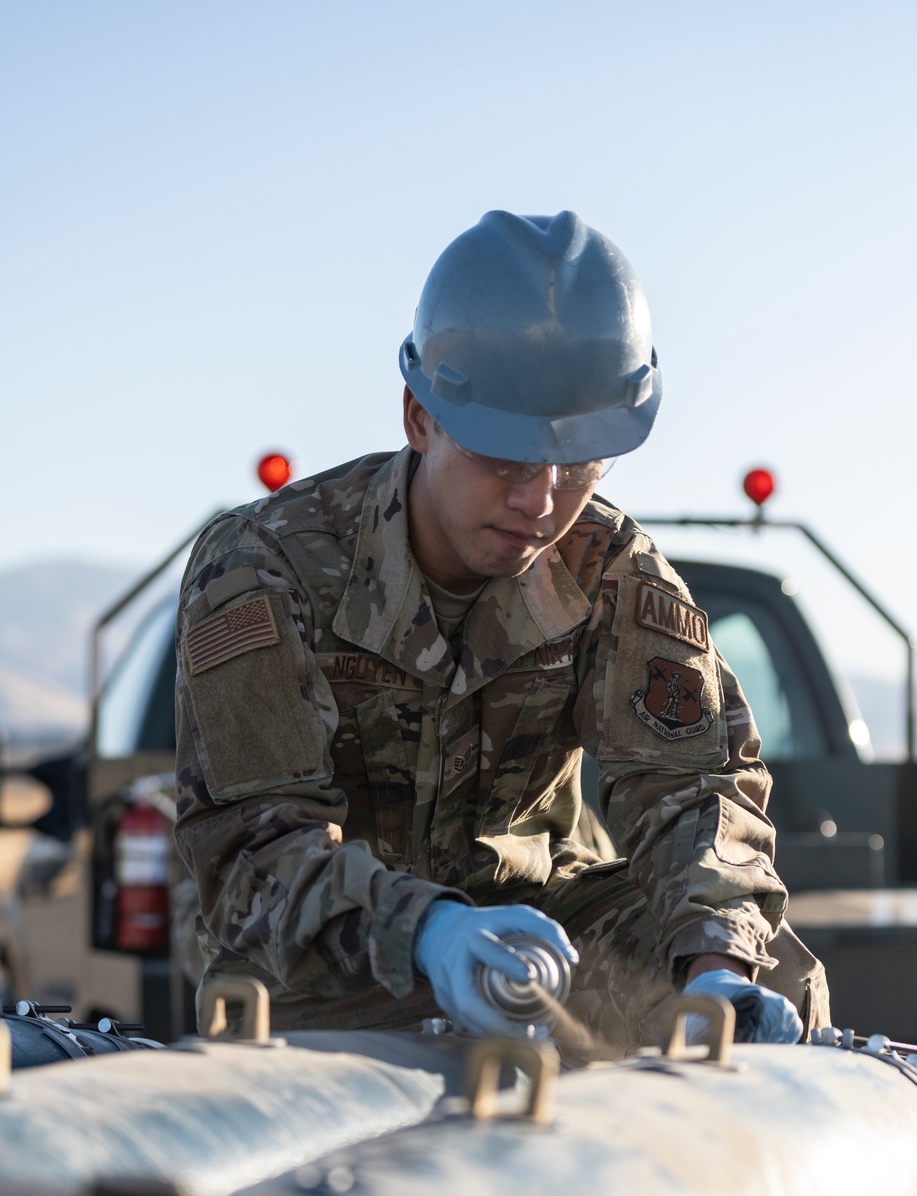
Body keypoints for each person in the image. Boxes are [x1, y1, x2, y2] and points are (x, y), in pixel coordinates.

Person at [174, 210, 829, 1051]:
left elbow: (692, 789)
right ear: (420, 419)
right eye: (505, 459)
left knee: (764, 979)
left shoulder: (609, 567)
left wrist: (716, 969)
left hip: (547, 931)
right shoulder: (263, 564)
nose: (542, 499)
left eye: (576, 464)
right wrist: (430, 934)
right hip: (329, 961)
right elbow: (255, 854)